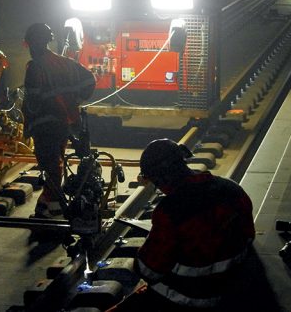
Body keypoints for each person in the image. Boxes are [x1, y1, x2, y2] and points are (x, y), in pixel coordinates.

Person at [108, 138, 255, 311]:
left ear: (161, 178)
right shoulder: (231, 188)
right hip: (236, 286)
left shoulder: (170, 211)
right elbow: (249, 236)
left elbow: (149, 271)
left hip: (191, 297)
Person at [21, 23, 96, 218]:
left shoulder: (35, 67)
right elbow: (89, 80)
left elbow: (32, 102)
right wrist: (76, 101)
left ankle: (52, 210)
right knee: (56, 163)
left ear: (32, 44)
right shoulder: (64, 62)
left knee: (50, 166)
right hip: (65, 123)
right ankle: (48, 204)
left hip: (44, 126)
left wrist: (28, 127)